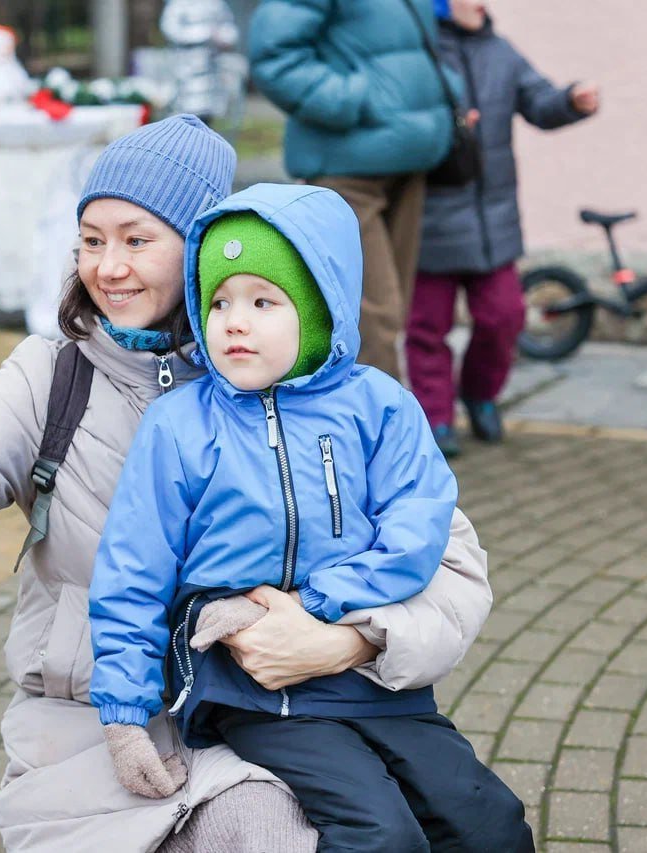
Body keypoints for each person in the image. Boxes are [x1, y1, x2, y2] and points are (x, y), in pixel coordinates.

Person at [0, 115, 495, 852]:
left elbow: (450, 565)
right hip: (87, 729)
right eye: (91, 239)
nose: (107, 266)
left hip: (272, 712)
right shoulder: (50, 378)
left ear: (200, 248)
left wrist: (342, 638)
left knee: (321, 828)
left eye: (136, 239)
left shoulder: (310, 384)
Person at [90, 183, 531, 851]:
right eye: (219, 301)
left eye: (264, 301)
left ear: (321, 308)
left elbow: (418, 526)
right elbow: (132, 570)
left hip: (373, 677)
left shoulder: (378, 406)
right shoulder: (179, 425)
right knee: (379, 832)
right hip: (258, 690)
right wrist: (125, 714)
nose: (234, 321)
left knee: (487, 820)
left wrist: (322, 603)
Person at [409, 0, 599, 456]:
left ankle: (480, 394)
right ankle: (435, 416)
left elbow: (540, 101)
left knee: (504, 317)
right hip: (431, 220)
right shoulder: (421, 51)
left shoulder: (501, 52)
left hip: (493, 224)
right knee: (426, 329)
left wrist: (570, 100)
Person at [248, 0, 460, 382]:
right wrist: (353, 98)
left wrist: (443, 95)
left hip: (407, 163)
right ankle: (377, 434)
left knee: (391, 313)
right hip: (346, 169)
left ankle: (384, 422)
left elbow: (416, 47)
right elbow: (274, 56)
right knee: (371, 313)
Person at [159, 0, 239, 123]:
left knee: (206, 115)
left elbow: (229, 29)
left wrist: (224, 37)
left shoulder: (216, 3)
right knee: (183, 114)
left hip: (212, 70)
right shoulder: (178, 4)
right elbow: (170, 29)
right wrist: (205, 34)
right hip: (185, 67)